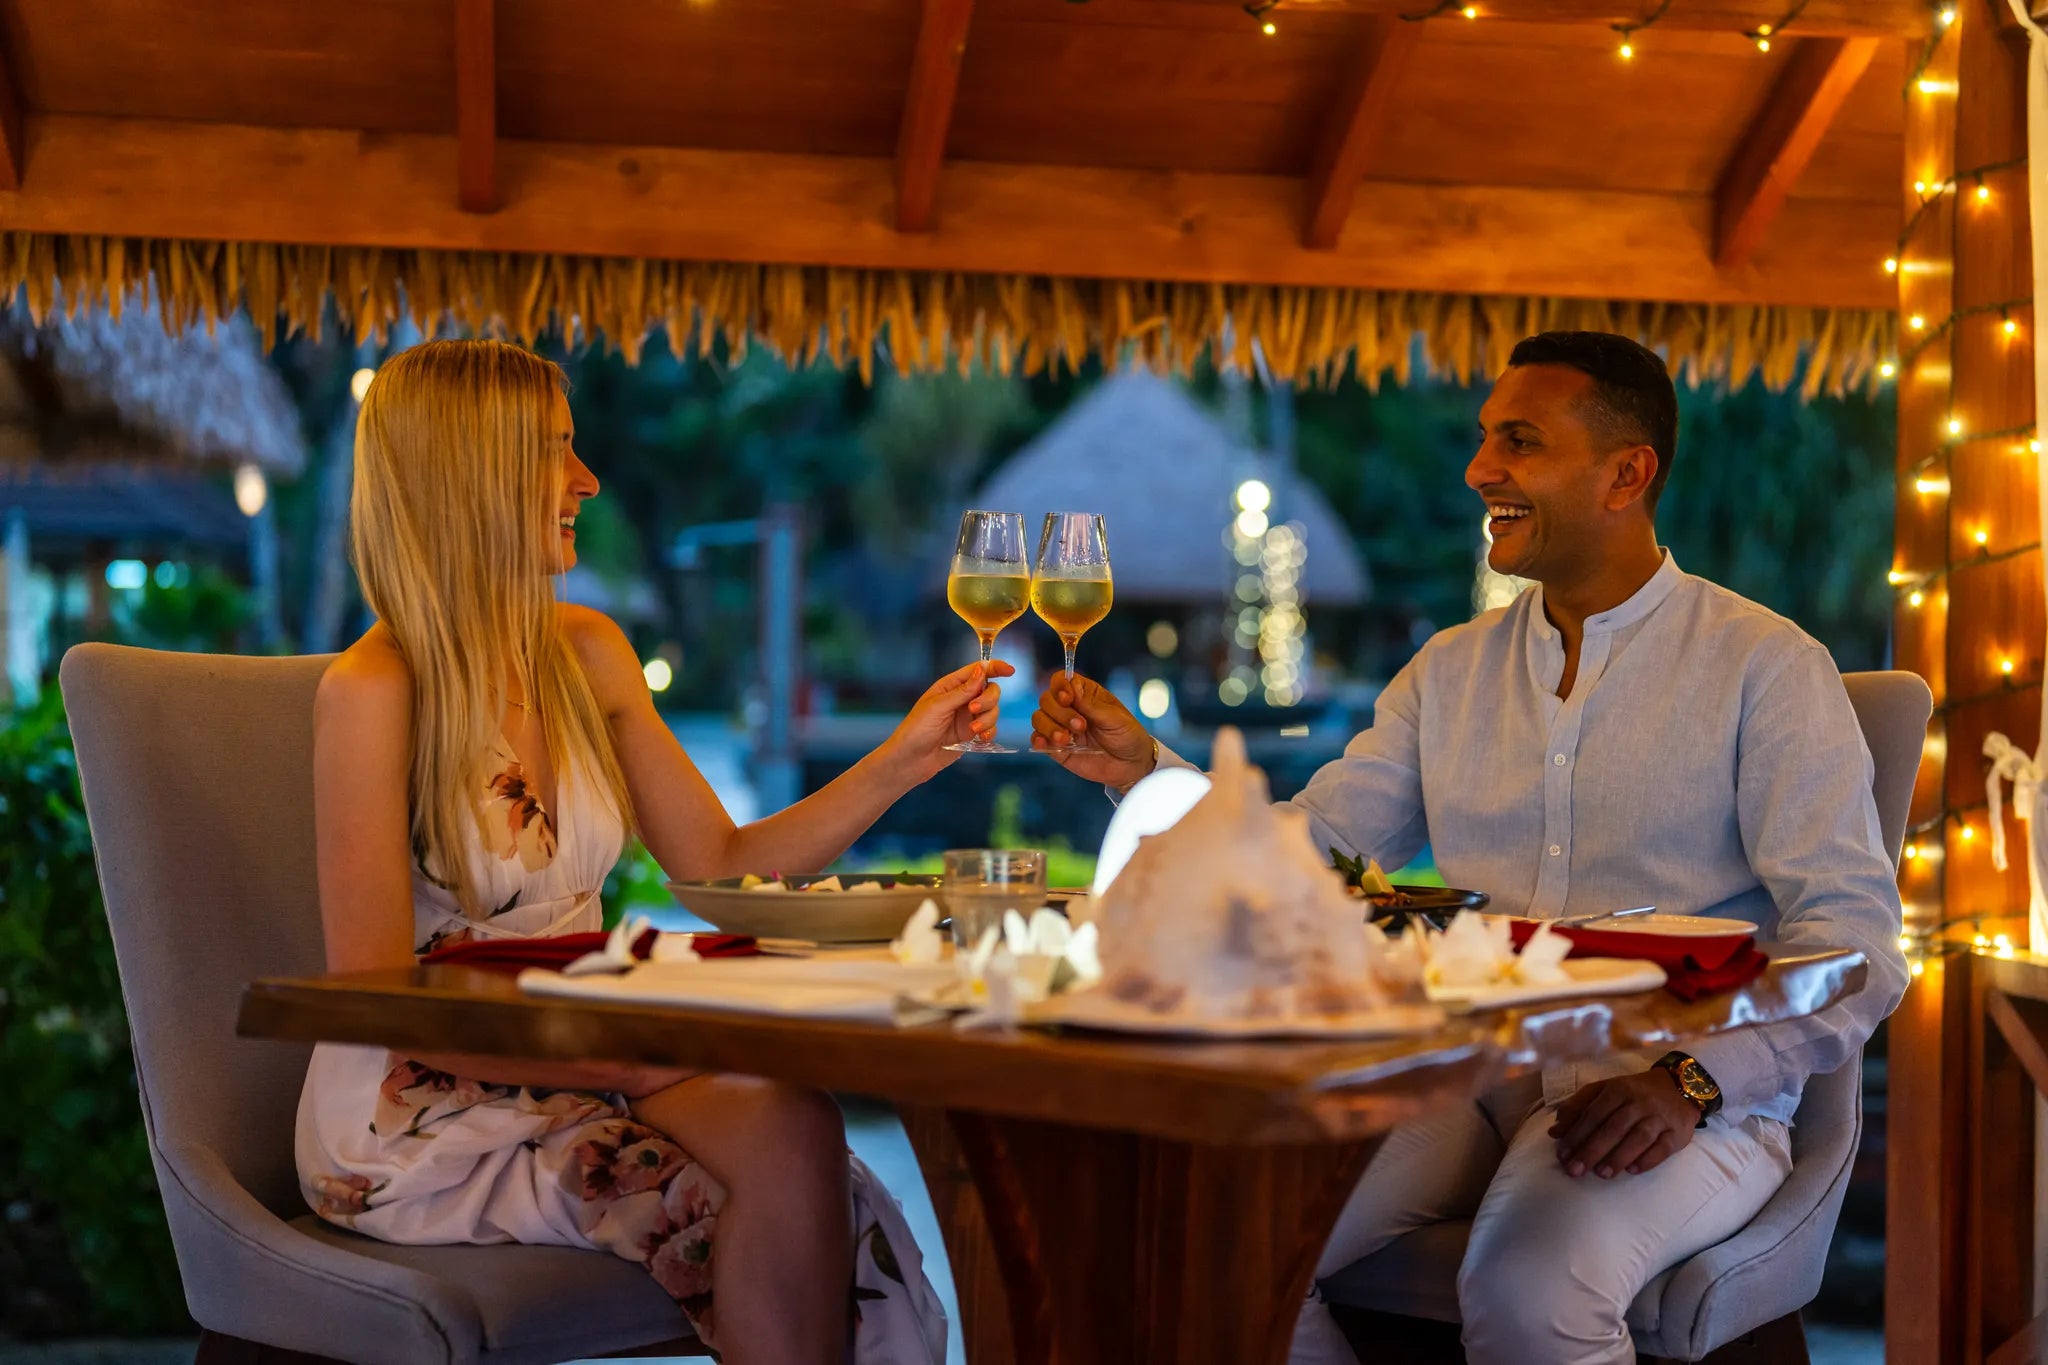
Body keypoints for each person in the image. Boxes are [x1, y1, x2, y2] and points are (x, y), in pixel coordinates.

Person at [1029, 331, 1909, 1365]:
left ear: (1626, 473)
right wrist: (1145, 771)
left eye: (1518, 442)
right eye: (1484, 438)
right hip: (1456, 1081)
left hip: (1669, 1091)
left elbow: (1856, 947)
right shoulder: (1447, 673)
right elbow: (1308, 845)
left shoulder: (1765, 668)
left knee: (1528, 1290)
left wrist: (1692, 1081)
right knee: (1220, 1251)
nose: (1477, 469)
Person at [298, 338, 1001, 1365]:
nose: (586, 479)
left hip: (590, 1054)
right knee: (756, 1194)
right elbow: (369, 993)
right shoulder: (372, 692)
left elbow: (721, 870)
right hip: (426, 1100)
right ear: (474, 471)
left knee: (796, 1128)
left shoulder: (588, 653)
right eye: (556, 451)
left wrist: (905, 758)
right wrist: (619, 1047)